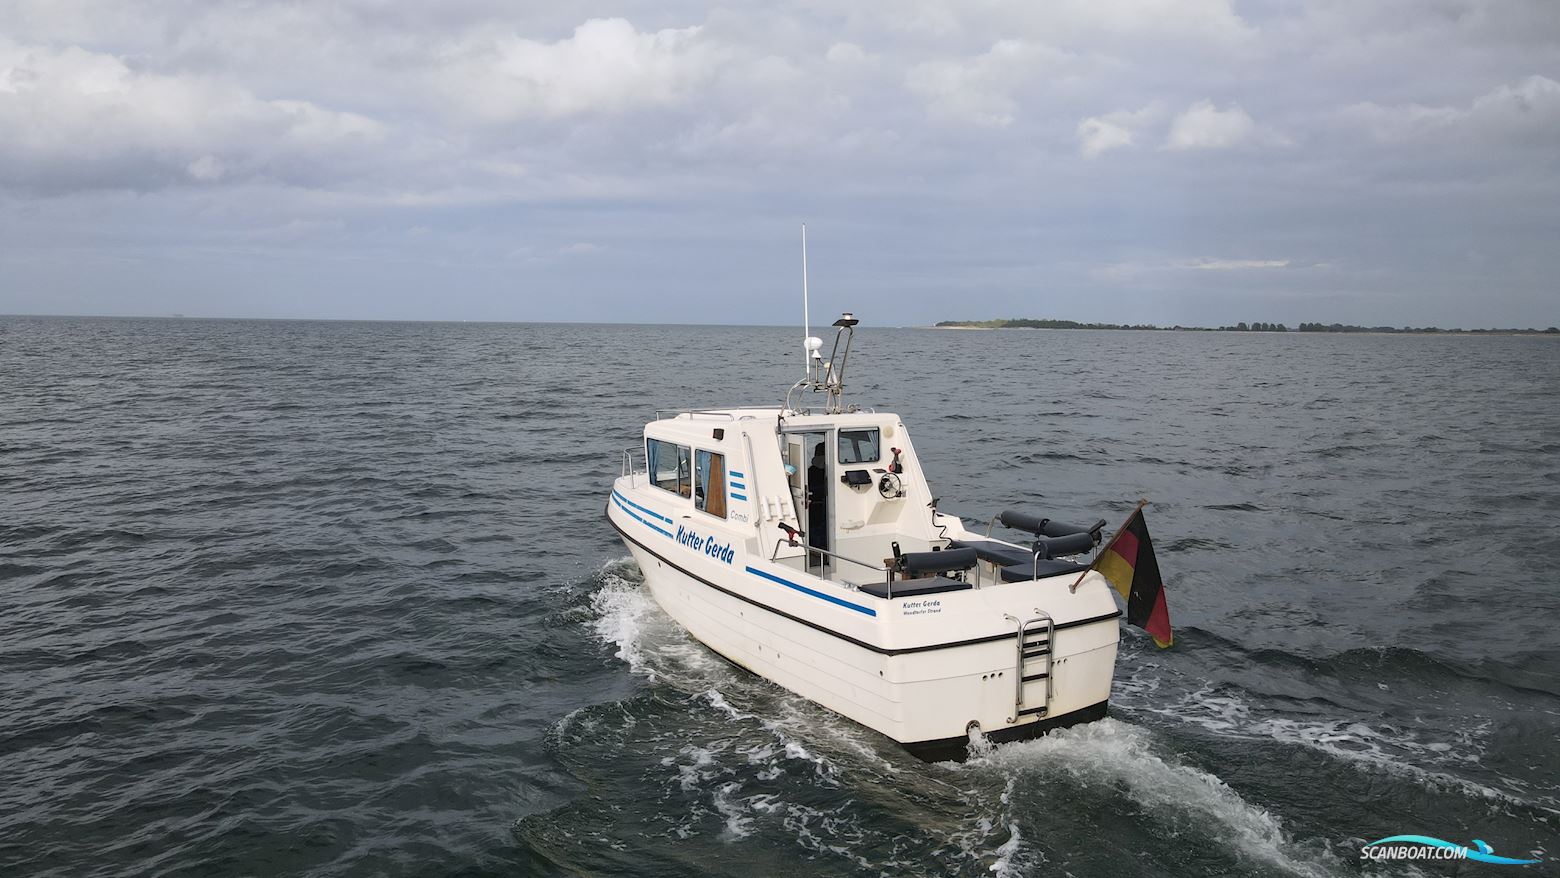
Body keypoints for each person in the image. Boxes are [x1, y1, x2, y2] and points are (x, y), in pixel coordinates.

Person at [807, 442, 828, 560]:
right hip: (817, 502)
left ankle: (817, 547)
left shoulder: (810, 471)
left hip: (816, 502)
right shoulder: (823, 471)